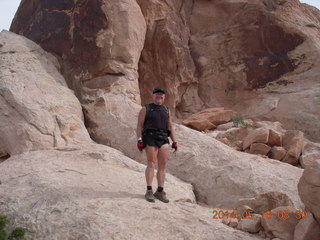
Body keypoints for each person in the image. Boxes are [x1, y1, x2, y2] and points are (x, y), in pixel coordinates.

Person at [136, 87, 178, 203]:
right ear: (153, 95)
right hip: (150, 138)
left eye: (162, 95)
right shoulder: (146, 108)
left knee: (163, 165)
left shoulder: (166, 110)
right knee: (151, 163)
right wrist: (139, 140)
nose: (159, 96)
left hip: (163, 138)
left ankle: (160, 191)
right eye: (157, 94)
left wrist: (174, 141)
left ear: (164, 97)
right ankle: (149, 191)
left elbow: (170, 126)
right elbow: (139, 125)